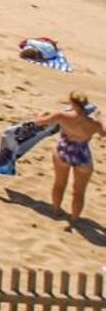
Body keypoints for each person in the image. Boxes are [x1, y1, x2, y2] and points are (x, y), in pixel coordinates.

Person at [37, 93, 100, 224]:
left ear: (72, 103)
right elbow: (104, 133)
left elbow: (40, 122)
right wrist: (101, 118)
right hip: (82, 155)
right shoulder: (94, 124)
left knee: (59, 184)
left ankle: (56, 210)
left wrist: (42, 113)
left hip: (63, 151)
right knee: (79, 192)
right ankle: (74, 219)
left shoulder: (62, 116)